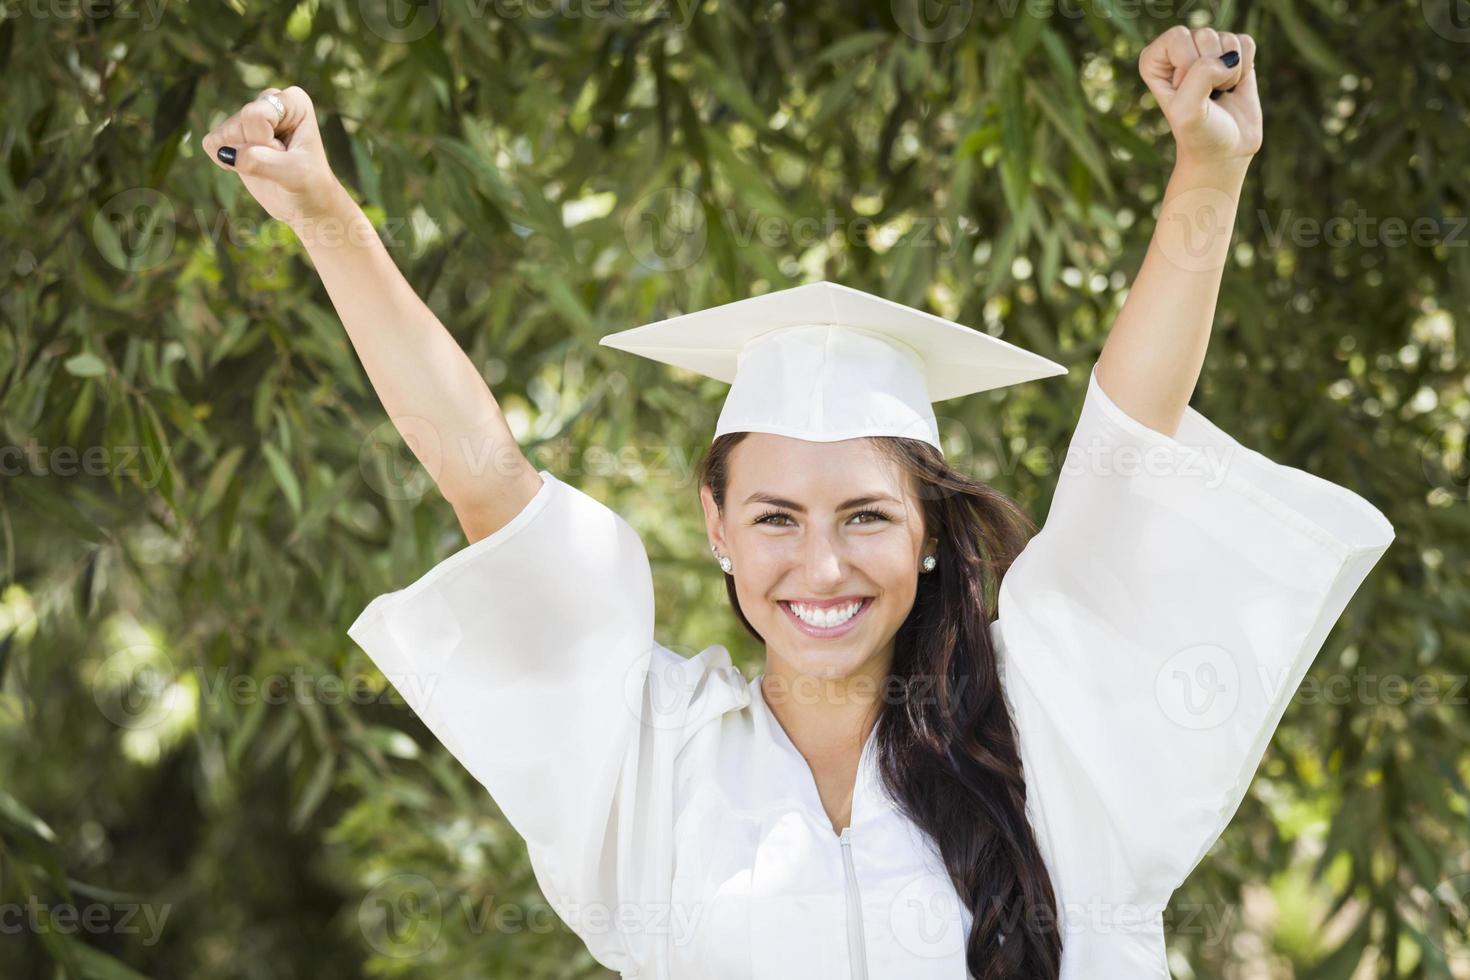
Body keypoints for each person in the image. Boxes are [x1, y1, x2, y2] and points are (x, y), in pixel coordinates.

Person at [202, 25, 1394, 980]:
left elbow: (1134, 441)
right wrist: (321, 213)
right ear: (716, 527)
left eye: (866, 515)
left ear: (928, 534)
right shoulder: (652, 763)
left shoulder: (1053, 729)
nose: (820, 565)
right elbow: (482, 471)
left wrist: (1207, 167)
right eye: (776, 516)